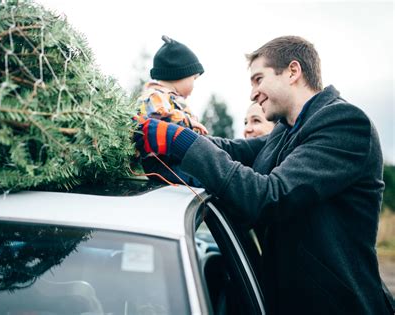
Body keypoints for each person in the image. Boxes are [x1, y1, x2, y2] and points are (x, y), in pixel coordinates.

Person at [135, 35, 394, 314]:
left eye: (258, 79)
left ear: (293, 71)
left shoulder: (344, 124)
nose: (252, 94)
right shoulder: (286, 128)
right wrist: (170, 136)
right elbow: (236, 151)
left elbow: (270, 196)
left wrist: (182, 142)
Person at [136, 35, 207, 186]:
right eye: (194, 79)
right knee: (203, 183)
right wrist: (188, 122)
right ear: (180, 74)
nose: (194, 86)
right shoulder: (154, 96)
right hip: (162, 164)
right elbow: (158, 122)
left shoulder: (169, 99)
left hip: (175, 160)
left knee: (207, 176)